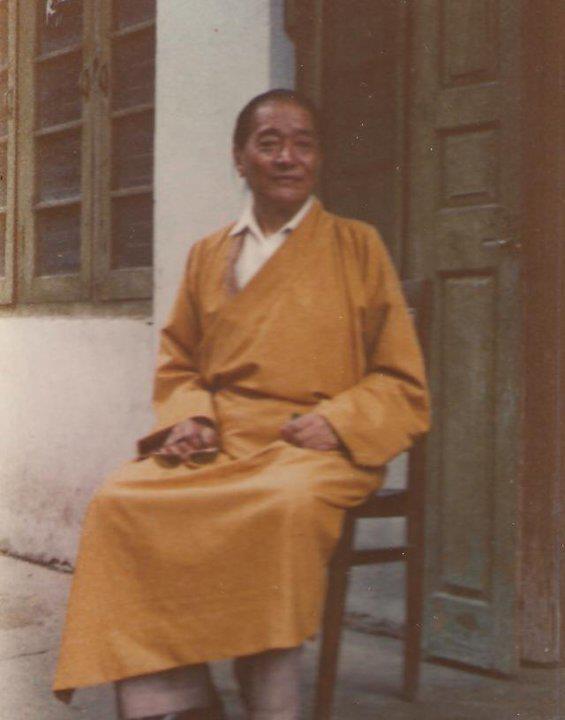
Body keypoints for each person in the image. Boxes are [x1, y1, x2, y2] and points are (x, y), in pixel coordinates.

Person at [53, 89, 430, 720]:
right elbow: (180, 362)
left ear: (319, 159)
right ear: (239, 158)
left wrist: (338, 421)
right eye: (269, 143)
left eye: (303, 144)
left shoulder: (358, 246)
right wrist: (191, 418)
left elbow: (401, 379)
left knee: (282, 506)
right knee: (120, 502)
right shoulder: (209, 253)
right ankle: (175, 698)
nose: (287, 158)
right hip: (221, 441)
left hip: (310, 448)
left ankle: (271, 702)